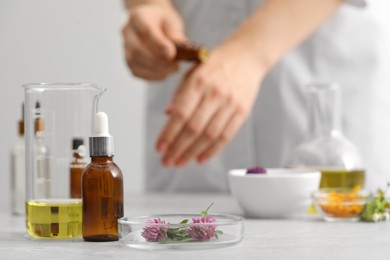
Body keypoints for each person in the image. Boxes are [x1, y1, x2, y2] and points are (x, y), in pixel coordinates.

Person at [122, 0, 390, 192]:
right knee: (185, 232)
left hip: (312, 76)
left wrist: (249, 53)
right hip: (189, 115)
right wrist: (147, 5)